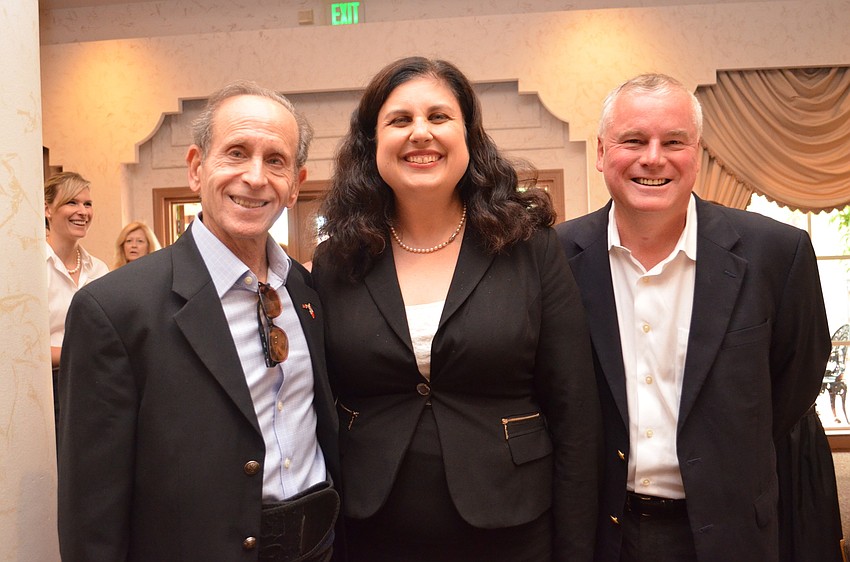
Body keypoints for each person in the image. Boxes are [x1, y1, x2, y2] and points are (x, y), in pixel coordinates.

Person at [311, 56, 601, 562]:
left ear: (469, 136)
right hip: (372, 530)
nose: (420, 133)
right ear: (371, 143)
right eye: (400, 120)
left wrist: (575, 547)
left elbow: (576, 411)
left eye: (439, 117)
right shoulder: (337, 258)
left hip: (513, 530)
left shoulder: (528, 246)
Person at [58, 80, 342, 562]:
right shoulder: (115, 309)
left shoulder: (308, 291)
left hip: (318, 545)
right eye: (236, 152)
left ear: (296, 184)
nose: (255, 177)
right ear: (196, 168)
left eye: (276, 161)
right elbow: (92, 507)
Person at [555, 73, 832, 562]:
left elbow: (796, 379)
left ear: (697, 154)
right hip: (600, 533)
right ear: (601, 152)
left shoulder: (776, 253)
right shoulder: (552, 258)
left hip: (730, 532)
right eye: (634, 140)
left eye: (674, 141)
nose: (653, 157)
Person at [44, 171, 110, 431]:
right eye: (72, 202)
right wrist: (79, 353)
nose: (82, 211)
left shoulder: (99, 270)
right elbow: (21, 348)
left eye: (88, 204)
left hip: (97, 384)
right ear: (48, 209)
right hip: (49, 389)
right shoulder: (30, 270)